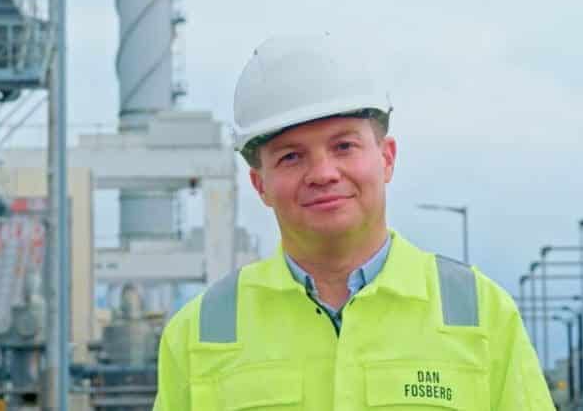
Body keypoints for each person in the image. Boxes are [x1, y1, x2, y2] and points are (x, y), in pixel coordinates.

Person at [154, 35, 554, 410]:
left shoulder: (480, 312)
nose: (323, 173)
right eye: (291, 157)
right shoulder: (201, 331)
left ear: (387, 158)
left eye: (344, 146)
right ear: (260, 184)